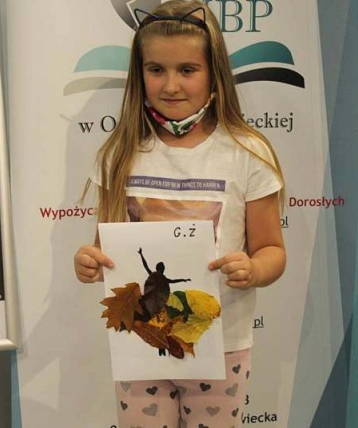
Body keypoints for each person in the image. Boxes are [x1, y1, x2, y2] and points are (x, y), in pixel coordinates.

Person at [73, 1, 286, 426]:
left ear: (214, 73)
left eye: (187, 70)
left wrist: (254, 270)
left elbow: (272, 251)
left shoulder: (247, 151)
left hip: (221, 346)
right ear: (140, 74)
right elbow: (105, 248)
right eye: (156, 69)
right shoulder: (119, 153)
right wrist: (89, 262)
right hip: (140, 342)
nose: (171, 85)